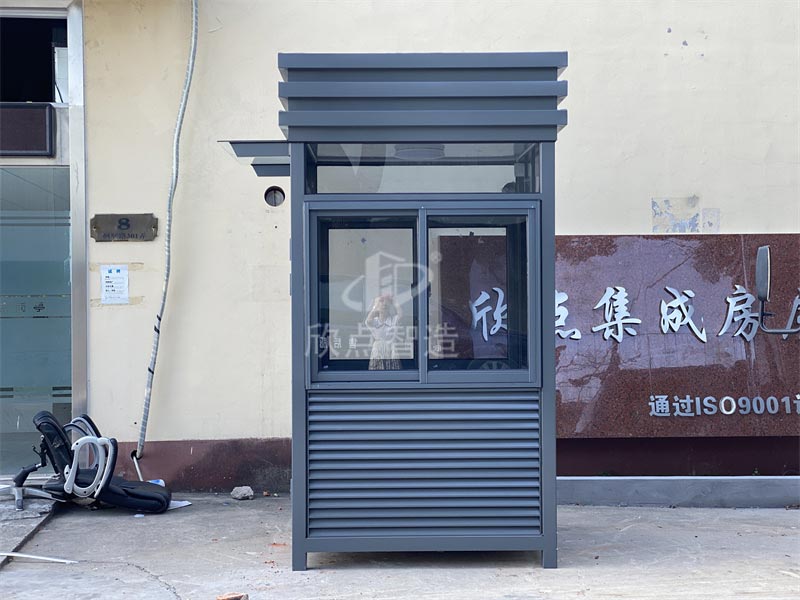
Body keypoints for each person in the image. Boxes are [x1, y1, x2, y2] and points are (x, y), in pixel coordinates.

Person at [365, 294, 401, 370]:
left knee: (392, 369)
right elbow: (368, 320)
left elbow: (400, 315)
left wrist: (395, 302)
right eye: (381, 302)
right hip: (378, 349)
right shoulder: (375, 322)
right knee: (377, 370)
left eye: (386, 304)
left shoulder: (393, 320)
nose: (384, 305)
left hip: (391, 348)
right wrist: (375, 305)